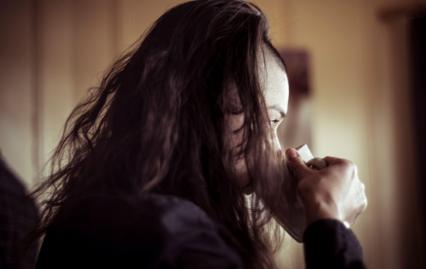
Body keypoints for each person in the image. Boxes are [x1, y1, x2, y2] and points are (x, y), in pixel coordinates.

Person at [32, 1, 368, 268]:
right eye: (265, 118)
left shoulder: (97, 210)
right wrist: (329, 221)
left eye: (277, 124)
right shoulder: (172, 235)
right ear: (195, 105)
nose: (274, 146)